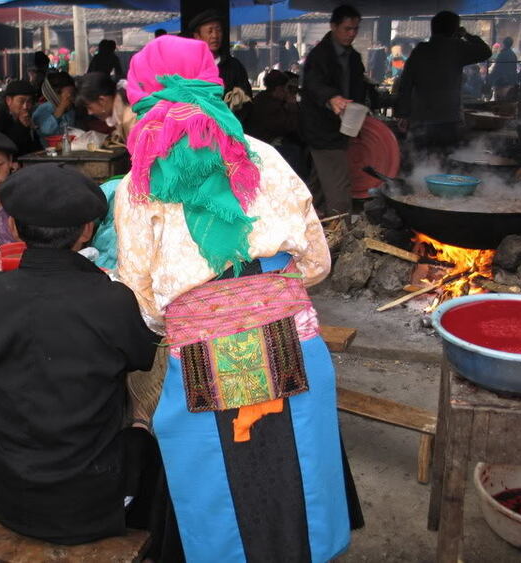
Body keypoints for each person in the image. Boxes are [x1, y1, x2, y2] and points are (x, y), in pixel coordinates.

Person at [115, 34, 361, 562]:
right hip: (290, 331)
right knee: (295, 454)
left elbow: (142, 297)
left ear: (142, 94)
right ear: (212, 84)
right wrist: (265, 290)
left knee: (219, 469)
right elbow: (316, 261)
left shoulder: (141, 180)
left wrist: (189, 313)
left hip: (199, 342)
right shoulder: (265, 157)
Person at [0, 163, 159, 545]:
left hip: (13, 498)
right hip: (90, 505)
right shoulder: (110, 298)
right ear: (87, 230)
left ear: (12, 227)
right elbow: (143, 357)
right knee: (149, 423)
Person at [300, 4, 367, 217]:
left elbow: (359, 87)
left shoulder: (353, 57)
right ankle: (340, 232)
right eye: (347, 28)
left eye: (355, 29)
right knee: (339, 188)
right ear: (333, 26)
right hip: (322, 130)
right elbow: (313, 84)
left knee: (317, 186)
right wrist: (331, 98)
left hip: (344, 127)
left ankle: (305, 227)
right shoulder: (319, 55)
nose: (352, 34)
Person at [395, 11, 491, 154]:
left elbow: (405, 83)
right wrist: (466, 35)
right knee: (446, 163)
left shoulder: (420, 50)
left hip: (421, 119)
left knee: (420, 162)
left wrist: (402, 114)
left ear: (433, 29)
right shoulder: (457, 47)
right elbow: (485, 51)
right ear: (455, 30)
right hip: (449, 120)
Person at [188, 10, 253, 115]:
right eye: (210, 31)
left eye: (218, 30)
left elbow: (247, 100)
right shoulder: (188, 66)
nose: (215, 36)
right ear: (197, 36)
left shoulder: (234, 66)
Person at [0, 80, 39, 156]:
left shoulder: (28, 116)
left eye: (29, 101)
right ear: (8, 100)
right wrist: (21, 126)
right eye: (21, 101)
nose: (25, 107)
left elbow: (34, 148)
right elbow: (3, 147)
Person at [77, 72, 135, 143]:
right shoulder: (122, 114)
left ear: (102, 100)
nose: (89, 113)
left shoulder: (130, 119)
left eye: (90, 107)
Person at [32, 71, 76, 140]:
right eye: (67, 97)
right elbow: (46, 130)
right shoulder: (44, 109)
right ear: (54, 94)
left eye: (73, 95)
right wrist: (61, 107)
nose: (71, 99)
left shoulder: (71, 110)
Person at [489, 36, 518, 101]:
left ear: (503, 44)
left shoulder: (502, 54)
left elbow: (497, 68)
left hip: (501, 82)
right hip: (511, 82)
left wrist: (491, 78)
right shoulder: (513, 55)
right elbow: (514, 69)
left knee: (499, 103)